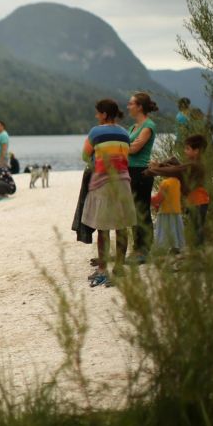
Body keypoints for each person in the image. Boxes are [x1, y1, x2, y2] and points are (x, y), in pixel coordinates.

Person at [81, 99, 138, 287]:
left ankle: (103, 270)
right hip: (123, 182)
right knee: (122, 226)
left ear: (104, 114)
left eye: (98, 113)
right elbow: (125, 156)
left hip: (103, 183)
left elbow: (84, 155)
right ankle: (119, 267)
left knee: (103, 228)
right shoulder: (124, 132)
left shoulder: (96, 131)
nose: (96, 116)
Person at [145, 134, 211, 246]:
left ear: (197, 151)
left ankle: (198, 253)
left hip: (199, 202)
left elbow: (175, 170)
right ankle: (197, 251)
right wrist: (160, 165)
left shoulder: (194, 165)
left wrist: (152, 171)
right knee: (197, 228)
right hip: (197, 202)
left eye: (188, 149)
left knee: (197, 230)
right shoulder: (194, 164)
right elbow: (176, 166)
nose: (185, 151)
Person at [126, 92, 159, 262]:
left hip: (141, 173)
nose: (128, 106)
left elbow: (134, 149)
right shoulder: (132, 127)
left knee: (142, 210)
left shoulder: (148, 125)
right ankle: (137, 248)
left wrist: (116, 147)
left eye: (131, 103)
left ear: (139, 107)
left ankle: (144, 249)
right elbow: (126, 146)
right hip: (130, 172)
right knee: (133, 211)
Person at [150, 157, 185, 254]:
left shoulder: (165, 183)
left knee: (164, 233)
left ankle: (162, 250)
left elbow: (158, 199)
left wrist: (148, 199)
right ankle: (176, 248)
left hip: (166, 212)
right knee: (175, 231)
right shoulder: (178, 182)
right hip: (176, 211)